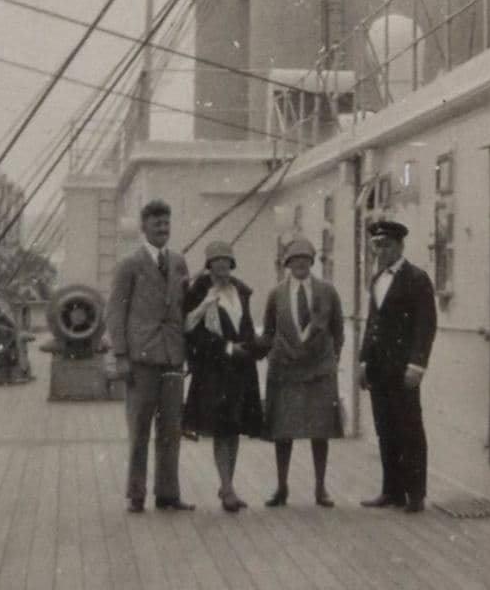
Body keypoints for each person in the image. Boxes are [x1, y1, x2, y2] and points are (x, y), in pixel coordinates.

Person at [108, 198, 194, 513]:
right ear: (144, 227)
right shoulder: (129, 265)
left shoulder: (179, 263)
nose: (162, 229)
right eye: (157, 224)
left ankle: (168, 493)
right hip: (141, 357)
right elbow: (115, 311)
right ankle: (136, 494)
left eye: (166, 223)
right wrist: (120, 355)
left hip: (173, 355)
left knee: (171, 427)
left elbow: (187, 308)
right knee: (140, 428)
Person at [257, 234, 345, 508]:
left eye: (305, 259)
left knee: (321, 430)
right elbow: (269, 332)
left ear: (312, 261)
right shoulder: (277, 294)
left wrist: (330, 361)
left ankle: (320, 488)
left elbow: (338, 331)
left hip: (319, 371)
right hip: (286, 372)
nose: (300, 264)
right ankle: (282, 487)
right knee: (284, 431)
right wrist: (274, 355)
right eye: (294, 259)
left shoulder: (327, 292)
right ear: (287, 263)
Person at [357, 216, 438, 513]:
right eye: (377, 246)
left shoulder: (416, 279)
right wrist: (363, 361)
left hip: (403, 368)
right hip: (379, 368)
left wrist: (417, 366)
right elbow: (372, 324)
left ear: (400, 246)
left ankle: (415, 493)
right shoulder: (377, 279)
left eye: (387, 245)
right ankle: (392, 491)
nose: (381, 251)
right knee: (385, 428)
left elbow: (425, 326)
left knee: (409, 429)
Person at [180, 239, 267, 512]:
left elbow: (247, 327)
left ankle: (227, 484)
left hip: (241, 369)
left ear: (232, 263)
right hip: (214, 369)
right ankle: (226, 487)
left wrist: (255, 347)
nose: (222, 267)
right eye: (216, 262)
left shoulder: (240, 292)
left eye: (226, 261)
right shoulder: (199, 293)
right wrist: (227, 348)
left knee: (235, 427)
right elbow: (192, 331)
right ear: (208, 266)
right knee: (221, 427)